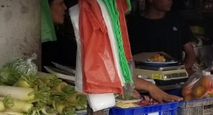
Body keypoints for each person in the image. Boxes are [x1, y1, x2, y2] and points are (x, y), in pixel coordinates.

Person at [41, 0, 181, 103]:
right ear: (45, 9)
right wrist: (148, 87)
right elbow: (105, 69)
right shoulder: (55, 46)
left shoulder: (61, 40)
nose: (65, 7)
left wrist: (149, 87)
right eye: (60, 3)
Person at [126, 0, 197, 75]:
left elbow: (190, 53)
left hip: (172, 77)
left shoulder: (177, 21)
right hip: (143, 78)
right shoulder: (134, 25)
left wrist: (181, 71)